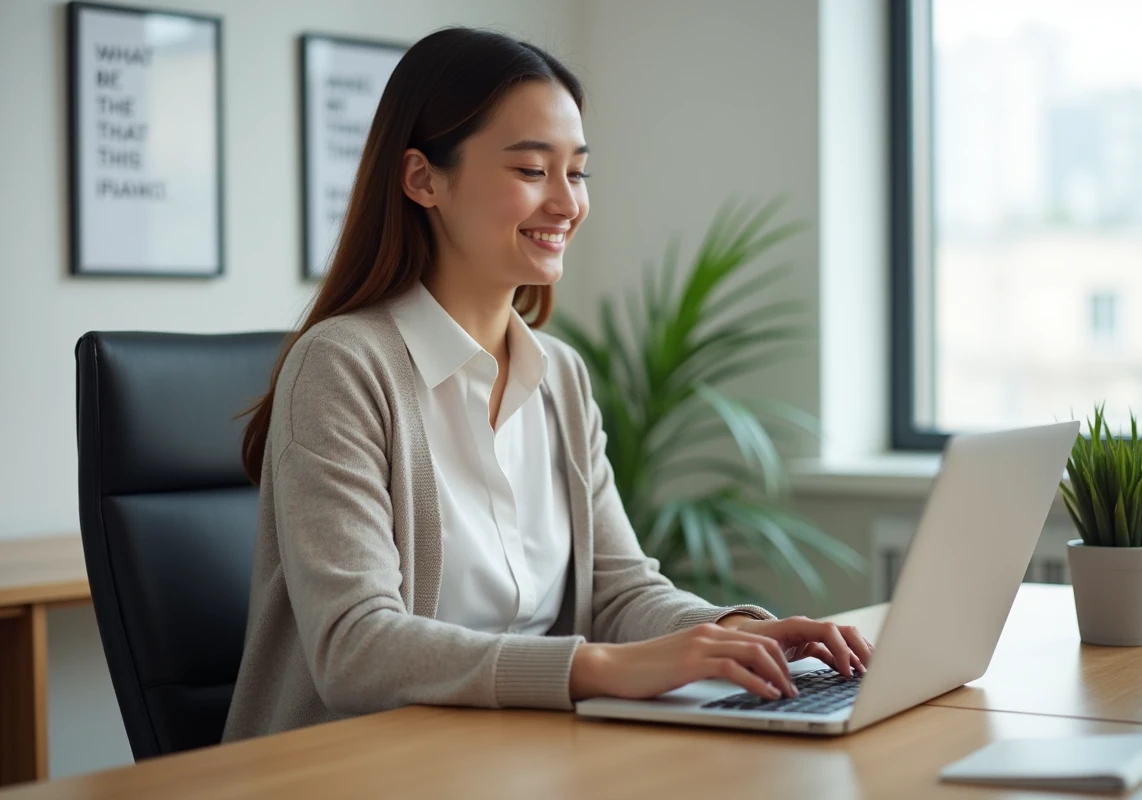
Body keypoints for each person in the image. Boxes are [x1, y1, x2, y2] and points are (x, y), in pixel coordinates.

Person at [222, 26, 872, 743]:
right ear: (422, 179)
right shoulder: (343, 366)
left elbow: (621, 589)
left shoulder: (558, 375)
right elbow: (357, 648)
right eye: (533, 171)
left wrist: (735, 632)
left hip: (511, 751)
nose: (567, 203)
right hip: (355, 765)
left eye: (578, 172)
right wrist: (597, 668)